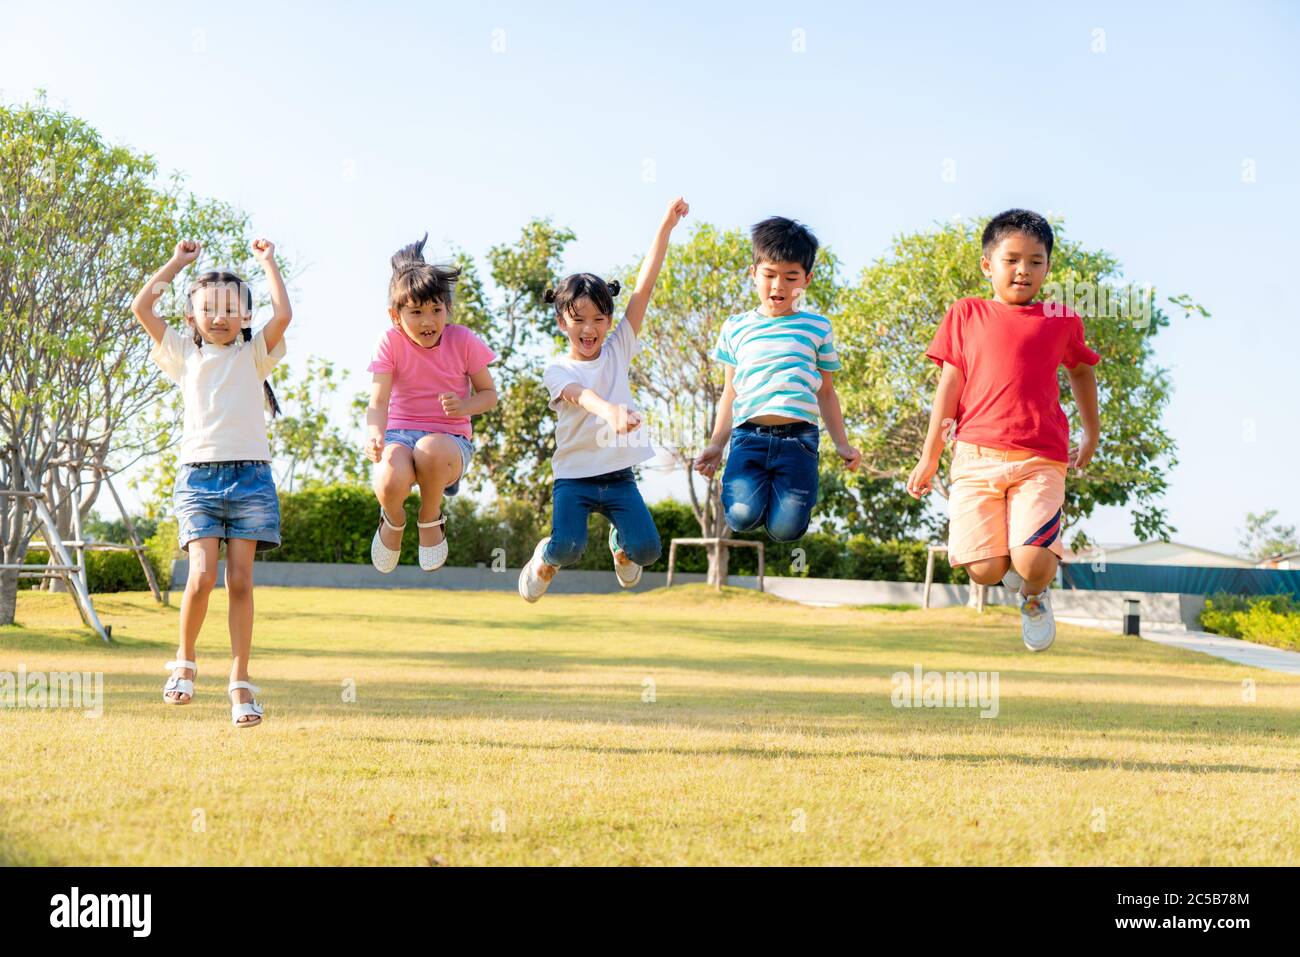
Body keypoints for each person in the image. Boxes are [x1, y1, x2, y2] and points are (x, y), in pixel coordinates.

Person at [907, 208, 1101, 652]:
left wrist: (1091, 431)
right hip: (975, 458)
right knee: (985, 569)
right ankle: (1014, 571)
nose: (1023, 270)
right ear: (987, 265)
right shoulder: (965, 314)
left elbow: (1082, 373)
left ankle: (1034, 594)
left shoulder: (1061, 319)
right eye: (1011, 259)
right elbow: (949, 388)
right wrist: (929, 454)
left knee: (1031, 561)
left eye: (1036, 261)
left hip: (1040, 459)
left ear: (1048, 267)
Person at [132, 238, 291, 727]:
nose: (219, 317)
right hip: (198, 479)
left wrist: (267, 263)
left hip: (251, 479)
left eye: (230, 309)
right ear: (191, 316)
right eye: (209, 309)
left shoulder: (254, 354)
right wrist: (178, 262)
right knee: (201, 577)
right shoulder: (183, 355)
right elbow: (142, 306)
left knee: (240, 581)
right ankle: (184, 661)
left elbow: (283, 314)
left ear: (245, 315)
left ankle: (240, 683)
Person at [518, 197, 689, 602]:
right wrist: (610, 411)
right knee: (568, 548)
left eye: (599, 318)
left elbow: (643, 287)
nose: (590, 328)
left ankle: (620, 545)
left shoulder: (617, 349)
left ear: (610, 320)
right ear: (563, 322)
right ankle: (544, 557)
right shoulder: (558, 371)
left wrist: (665, 226)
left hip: (617, 476)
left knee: (647, 550)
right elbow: (582, 397)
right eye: (578, 319)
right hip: (574, 479)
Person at [694, 216, 860, 541]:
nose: (778, 286)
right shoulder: (735, 327)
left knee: (786, 530)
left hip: (798, 440)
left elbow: (826, 391)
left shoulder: (817, 327)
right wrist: (716, 443)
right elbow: (731, 391)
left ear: (807, 279)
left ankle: (785, 504)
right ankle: (754, 498)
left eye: (790, 277)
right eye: (769, 274)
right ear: (753, 273)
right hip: (748, 436)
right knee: (741, 517)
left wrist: (842, 443)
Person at [364, 234, 498, 573]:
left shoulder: (463, 340)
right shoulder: (389, 342)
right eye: (416, 312)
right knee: (390, 477)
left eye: (437, 310)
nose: (428, 321)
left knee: (430, 449)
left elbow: (489, 395)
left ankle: (430, 516)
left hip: (449, 446)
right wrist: (375, 434)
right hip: (400, 438)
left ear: (448, 310)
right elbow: (378, 401)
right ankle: (393, 521)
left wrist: (465, 407)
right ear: (396, 316)